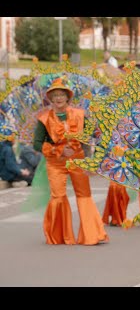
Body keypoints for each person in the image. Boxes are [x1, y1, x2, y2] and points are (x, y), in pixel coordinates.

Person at [33, 77, 109, 245]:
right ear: (50, 99)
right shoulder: (44, 119)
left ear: (68, 97)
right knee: (58, 197)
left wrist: (90, 162)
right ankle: (59, 236)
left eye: (61, 95)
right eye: (55, 96)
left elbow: (89, 139)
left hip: (78, 160)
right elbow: (37, 144)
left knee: (84, 195)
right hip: (55, 163)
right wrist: (57, 149)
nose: (58, 98)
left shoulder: (80, 115)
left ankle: (92, 235)